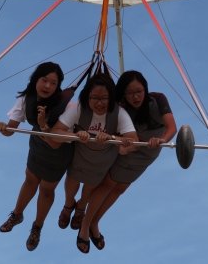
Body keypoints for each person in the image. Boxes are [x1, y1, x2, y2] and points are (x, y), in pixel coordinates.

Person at [77, 70, 177, 252]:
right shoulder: (120, 107)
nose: (135, 97)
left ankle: (94, 223)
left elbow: (172, 127)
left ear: (145, 89)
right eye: (130, 93)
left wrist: (162, 139)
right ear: (123, 94)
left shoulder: (158, 99)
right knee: (108, 184)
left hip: (148, 154)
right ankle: (84, 226)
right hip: (127, 151)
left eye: (139, 91)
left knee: (120, 189)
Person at [45, 73, 138, 254]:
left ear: (111, 98)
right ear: (87, 97)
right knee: (72, 183)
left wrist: (113, 138)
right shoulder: (78, 108)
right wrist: (76, 135)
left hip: (102, 162)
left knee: (89, 188)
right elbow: (56, 132)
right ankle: (68, 205)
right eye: (95, 98)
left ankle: (80, 209)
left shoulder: (119, 112)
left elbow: (133, 141)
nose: (99, 103)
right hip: (80, 157)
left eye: (104, 98)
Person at [0, 61, 73, 251]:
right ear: (36, 79)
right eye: (44, 80)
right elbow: (11, 130)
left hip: (58, 150)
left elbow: (56, 140)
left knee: (46, 189)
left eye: (53, 83)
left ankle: (37, 227)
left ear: (58, 86)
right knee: (30, 180)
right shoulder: (26, 99)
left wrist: (44, 123)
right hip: (37, 145)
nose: (47, 86)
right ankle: (17, 214)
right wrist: (3, 128)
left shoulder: (65, 105)